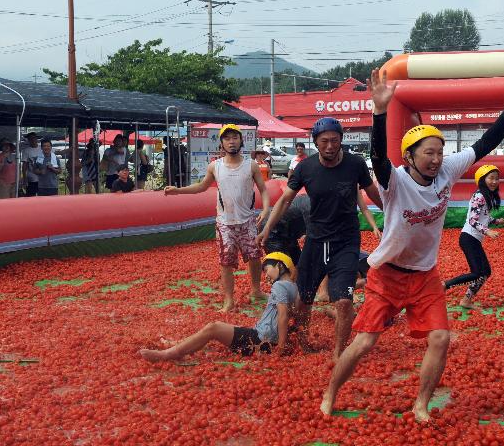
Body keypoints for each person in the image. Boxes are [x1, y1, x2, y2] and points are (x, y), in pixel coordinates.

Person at [320, 69, 504, 422]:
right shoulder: (394, 181)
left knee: (440, 338)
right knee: (365, 343)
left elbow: (486, 143)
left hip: (424, 276)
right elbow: (377, 157)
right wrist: (379, 112)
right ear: (409, 157)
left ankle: (420, 403)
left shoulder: (448, 170)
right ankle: (330, 393)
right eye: (428, 154)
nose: (436, 159)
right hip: (388, 275)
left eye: (440, 152)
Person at [257, 117, 382, 360]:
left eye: (334, 140)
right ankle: (302, 343)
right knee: (304, 300)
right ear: (316, 142)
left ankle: (338, 353)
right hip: (316, 242)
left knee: (344, 302)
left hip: (346, 242)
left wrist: (395, 214)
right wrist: (265, 228)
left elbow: (372, 193)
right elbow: (285, 200)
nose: (329, 146)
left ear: (341, 141)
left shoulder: (355, 164)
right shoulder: (306, 168)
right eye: (324, 141)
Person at [165, 124, 270, 312]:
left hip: (247, 221)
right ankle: (229, 300)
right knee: (226, 261)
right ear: (222, 143)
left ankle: (256, 290)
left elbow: (263, 188)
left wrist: (266, 208)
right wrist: (177, 191)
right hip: (225, 223)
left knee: (254, 256)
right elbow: (202, 186)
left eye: (235, 138)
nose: (231, 141)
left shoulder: (251, 165)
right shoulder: (215, 166)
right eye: (227, 138)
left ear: (241, 141)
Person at [140, 252, 297, 362]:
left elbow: (283, 316)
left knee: (213, 328)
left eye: (267, 270)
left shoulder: (279, 287)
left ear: (279, 266)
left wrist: (281, 348)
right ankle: (181, 345)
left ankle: (168, 354)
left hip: (261, 340)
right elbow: (296, 317)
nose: (266, 276)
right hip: (263, 340)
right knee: (219, 333)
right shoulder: (294, 288)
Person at [444, 165, 504, 308]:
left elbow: (484, 217)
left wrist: (497, 221)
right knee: (478, 272)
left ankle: (466, 300)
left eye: (496, 178)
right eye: (491, 178)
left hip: (474, 239)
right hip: (468, 238)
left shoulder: (486, 196)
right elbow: (473, 220)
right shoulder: (479, 196)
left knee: (485, 272)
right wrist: (487, 231)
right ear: (482, 180)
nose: (494, 181)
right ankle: (445, 285)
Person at [21, 132, 43, 196]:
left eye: (34, 138)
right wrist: (24, 179)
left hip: (43, 178)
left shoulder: (42, 148)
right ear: (28, 140)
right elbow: (24, 166)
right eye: (30, 139)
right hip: (31, 178)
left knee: (42, 197)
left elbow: (58, 152)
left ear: (36, 139)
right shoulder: (26, 150)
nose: (32, 140)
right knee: (31, 196)